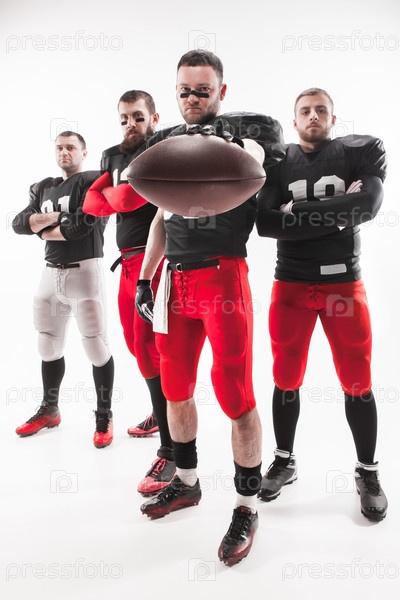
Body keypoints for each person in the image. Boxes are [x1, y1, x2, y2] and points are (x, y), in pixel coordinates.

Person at [133, 50, 285, 566]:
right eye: (184, 90)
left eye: (203, 89)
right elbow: (161, 216)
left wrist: (224, 142)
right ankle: (187, 481)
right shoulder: (168, 143)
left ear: (222, 90)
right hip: (175, 279)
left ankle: (246, 507)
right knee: (175, 388)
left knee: (235, 395)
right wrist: (147, 277)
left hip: (222, 274)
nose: (192, 98)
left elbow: (256, 160)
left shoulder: (249, 131)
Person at [256, 88, 388, 522]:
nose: (313, 116)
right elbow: (266, 223)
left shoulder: (356, 152)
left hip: (342, 286)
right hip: (291, 285)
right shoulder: (279, 161)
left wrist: (296, 212)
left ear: (333, 117)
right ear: (293, 120)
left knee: (357, 379)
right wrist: (337, 211)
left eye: (321, 110)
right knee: (285, 376)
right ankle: (285, 460)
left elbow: (367, 204)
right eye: (305, 111)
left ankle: (367, 471)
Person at [83, 90, 176, 495]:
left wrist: (113, 197)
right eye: (123, 118)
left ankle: (171, 449)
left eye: (138, 117)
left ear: (154, 117)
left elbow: (124, 197)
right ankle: (161, 411)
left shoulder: (162, 148)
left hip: (154, 262)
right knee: (136, 347)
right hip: (124, 263)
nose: (130, 125)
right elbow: (92, 203)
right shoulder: (112, 155)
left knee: (153, 348)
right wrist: (114, 197)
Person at [13, 131, 114, 448]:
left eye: (71, 147)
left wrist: (42, 226)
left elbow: (80, 226)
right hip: (49, 273)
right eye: (59, 147)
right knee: (47, 344)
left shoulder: (93, 181)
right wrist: (59, 218)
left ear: (84, 152)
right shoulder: (43, 186)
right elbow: (19, 224)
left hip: (84, 271)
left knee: (96, 346)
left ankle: (104, 415)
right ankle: (50, 409)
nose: (64, 152)